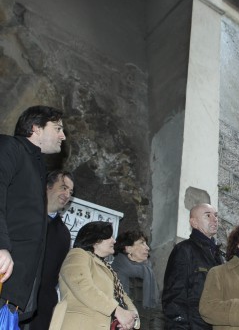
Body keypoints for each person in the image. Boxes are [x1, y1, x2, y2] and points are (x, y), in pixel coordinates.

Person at [0, 105, 66, 321]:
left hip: (14, 296)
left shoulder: (37, 167)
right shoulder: (10, 147)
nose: (62, 136)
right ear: (36, 128)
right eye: (57, 128)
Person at [49, 221, 140, 330]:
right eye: (109, 237)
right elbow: (83, 286)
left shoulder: (108, 268)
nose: (114, 241)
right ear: (95, 240)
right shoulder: (78, 254)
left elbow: (123, 297)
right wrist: (117, 310)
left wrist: (132, 319)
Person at [162, 203, 225, 330]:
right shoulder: (184, 250)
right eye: (208, 215)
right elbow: (174, 295)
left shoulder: (221, 256)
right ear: (194, 223)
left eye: (216, 215)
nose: (215, 219)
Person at [28, 170, 74, 330]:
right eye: (63, 187)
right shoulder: (24, 215)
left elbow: (55, 274)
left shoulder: (64, 234)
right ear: (47, 186)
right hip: (10, 298)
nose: (67, 194)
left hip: (41, 309)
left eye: (70, 191)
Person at [112, 230, 162, 329]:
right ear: (128, 248)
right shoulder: (112, 273)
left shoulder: (149, 274)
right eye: (142, 243)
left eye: (146, 244)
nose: (148, 248)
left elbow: (157, 311)